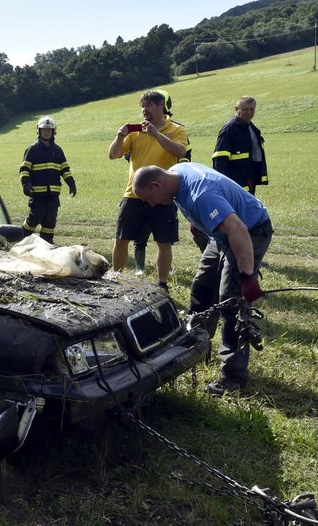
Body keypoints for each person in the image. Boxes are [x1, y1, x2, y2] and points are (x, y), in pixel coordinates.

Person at [132, 163, 272, 396]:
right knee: (202, 289)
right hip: (220, 235)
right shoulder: (176, 173)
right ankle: (197, 350)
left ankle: (233, 377)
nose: (151, 204)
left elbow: (238, 229)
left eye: (149, 197)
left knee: (231, 301)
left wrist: (247, 276)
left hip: (250, 231)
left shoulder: (201, 196)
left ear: (157, 184)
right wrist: (198, 222)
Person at [108, 90, 190, 290]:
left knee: (164, 242)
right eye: (142, 107)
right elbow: (113, 155)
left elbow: (180, 152)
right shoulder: (135, 132)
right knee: (121, 239)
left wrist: (155, 134)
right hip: (134, 194)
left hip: (163, 196)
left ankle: (162, 284)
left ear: (161, 105)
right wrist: (119, 137)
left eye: (148, 106)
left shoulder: (177, 129)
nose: (144, 111)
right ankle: (114, 280)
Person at [19, 116, 76, 244]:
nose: (46, 132)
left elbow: (65, 169)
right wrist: (25, 184)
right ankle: (23, 238)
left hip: (53, 194)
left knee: (50, 220)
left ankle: (46, 244)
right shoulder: (32, 150)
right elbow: (24, 169)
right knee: (35, 217)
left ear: (53, 131)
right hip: (37, 193)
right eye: (44, 130)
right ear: (39, 131)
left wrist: (71, 183)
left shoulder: (58, 150)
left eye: (49, 130)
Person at [213, 96, 267, 195]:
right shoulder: (230, 128)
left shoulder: (251, 127)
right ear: (236, 109)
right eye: (245, 109)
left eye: (252, 109)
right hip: (235, 181)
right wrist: (224, 183)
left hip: (248, 178)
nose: (249, 112)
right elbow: (219, 158)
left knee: (248, 207)